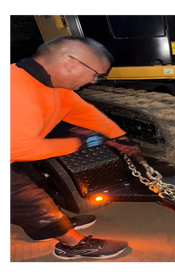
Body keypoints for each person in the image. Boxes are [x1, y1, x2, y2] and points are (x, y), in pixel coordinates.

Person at [7, 36, 140, 260]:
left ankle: (51, 222)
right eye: (97, 75)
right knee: (29, 200)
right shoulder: (16, 91)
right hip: (12, 150)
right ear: (72, 63)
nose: (94, 81)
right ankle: (72, 244)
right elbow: (18, 148)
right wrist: (81, 142)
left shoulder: (50, 86)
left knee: (35, 182)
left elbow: (82, 111)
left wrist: (118, 136)